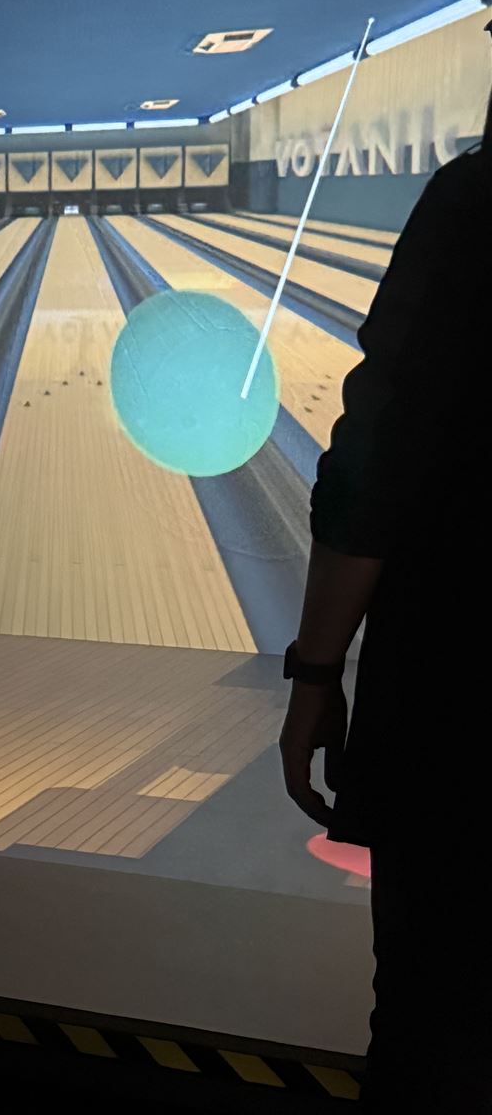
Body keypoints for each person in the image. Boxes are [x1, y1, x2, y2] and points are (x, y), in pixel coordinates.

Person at [280, 71, 491, 1111]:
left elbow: (377, 462)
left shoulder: (474, 201)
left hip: (463, 708)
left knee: (435, 1024)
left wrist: (315, 672)